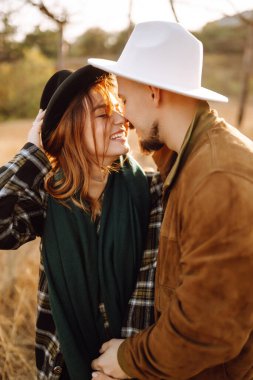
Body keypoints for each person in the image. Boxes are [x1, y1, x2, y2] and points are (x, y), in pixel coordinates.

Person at [88, 21, 253, 380]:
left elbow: (207, 331)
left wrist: (127, 360)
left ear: (154, 92)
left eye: (125, 101)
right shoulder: (189, 163)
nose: (125, 119)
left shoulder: (217, 177)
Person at [0, 65, 163, 379]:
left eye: (119, 109)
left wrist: (123, 365)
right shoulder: (48, 197)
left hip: (130, 366)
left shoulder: (151, 192)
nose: (122, 120)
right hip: (62, 366)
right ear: (68, 129)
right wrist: (34, 149)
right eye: (103, 115)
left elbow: (146, 291)